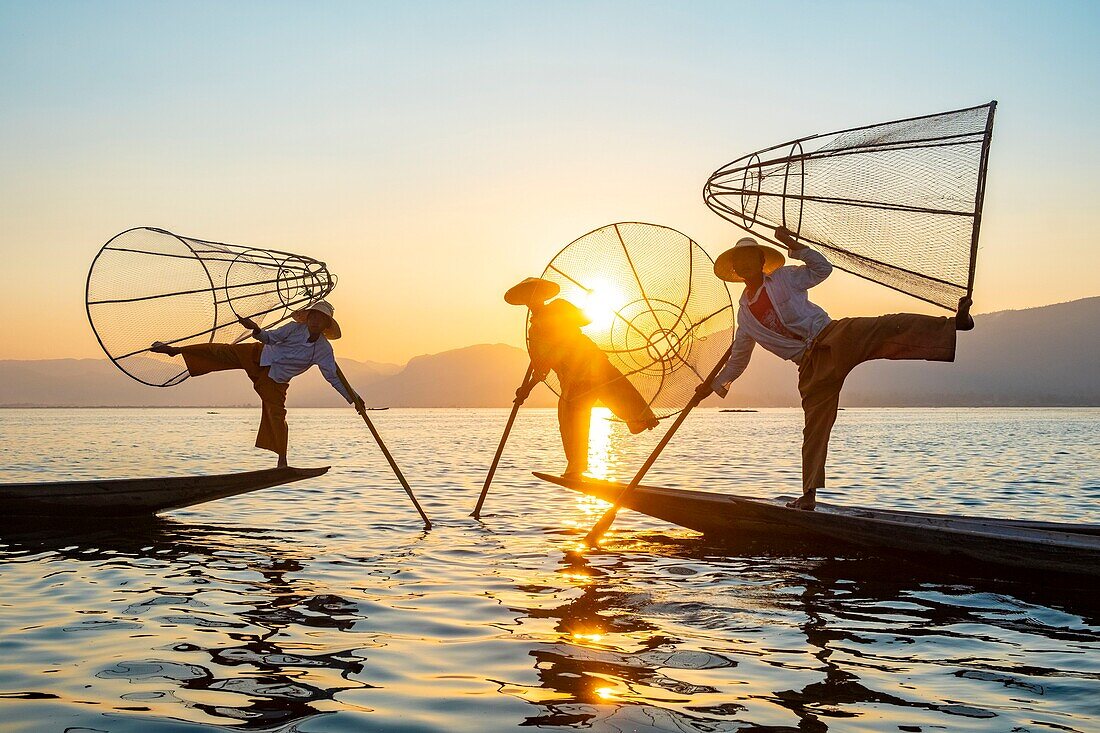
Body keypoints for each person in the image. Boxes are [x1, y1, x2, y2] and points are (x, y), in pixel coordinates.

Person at [700, 226, 974, 510]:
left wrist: (794, 245)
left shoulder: (784, 278)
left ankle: (954, 324)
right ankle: (808, 496)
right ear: (736, 269)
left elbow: (822, 269)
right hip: (809, 363)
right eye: (739, 261)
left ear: (760, 261)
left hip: (832, 334)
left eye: (750, 258)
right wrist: (712, 386)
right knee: (814, 429)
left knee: (885, 326)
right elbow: (738, 359)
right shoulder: (744, 317)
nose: (745, 264)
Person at [150, 300, 365, 467]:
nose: (315, 320)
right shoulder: (294, 328)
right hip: (258, 355)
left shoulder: (324, 350)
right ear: (307, 318)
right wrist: (255, 329)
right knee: (221, 351)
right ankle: (175, 350)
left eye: (320, 318)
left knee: (276, 414)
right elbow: (270, 338)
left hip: (275, 380)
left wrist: (353, 398)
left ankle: (282, 460)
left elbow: (333, 377)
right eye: (313, 316)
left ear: (326, 324)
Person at [507, 277, 659, 478]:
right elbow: (541, 369)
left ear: (542, 296)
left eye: (534, 294)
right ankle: (576, 468)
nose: (532, 300)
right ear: (525, 302)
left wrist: (587, 303)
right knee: (570, 417)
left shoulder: (558, 308)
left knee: (613, 395)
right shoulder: (535, 331)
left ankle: (639, 420)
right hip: (575, 376)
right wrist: (526, 389)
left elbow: (585, 320)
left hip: (591, 366)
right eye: (528, 297)